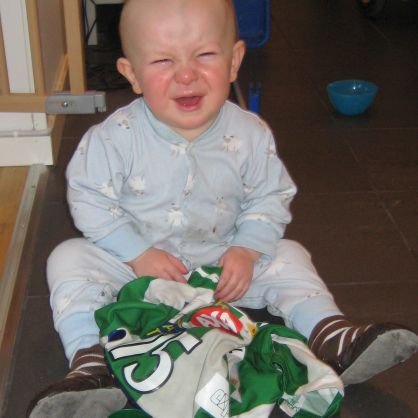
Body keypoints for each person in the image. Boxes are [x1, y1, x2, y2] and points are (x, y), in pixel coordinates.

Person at [28, 0, 418, 416]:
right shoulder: (112, 139)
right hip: (136, 268)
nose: (186, 74)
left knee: (289, 254)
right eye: (162, 60)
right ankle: (91, 364)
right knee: (67, 259)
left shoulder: (250, 133)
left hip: (224, 268)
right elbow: (90, 199)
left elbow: (271, 196)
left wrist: (247, 249)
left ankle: (331, 334)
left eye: (205, 55)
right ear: (132, 74)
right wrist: (137, 252)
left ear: (234, 61)